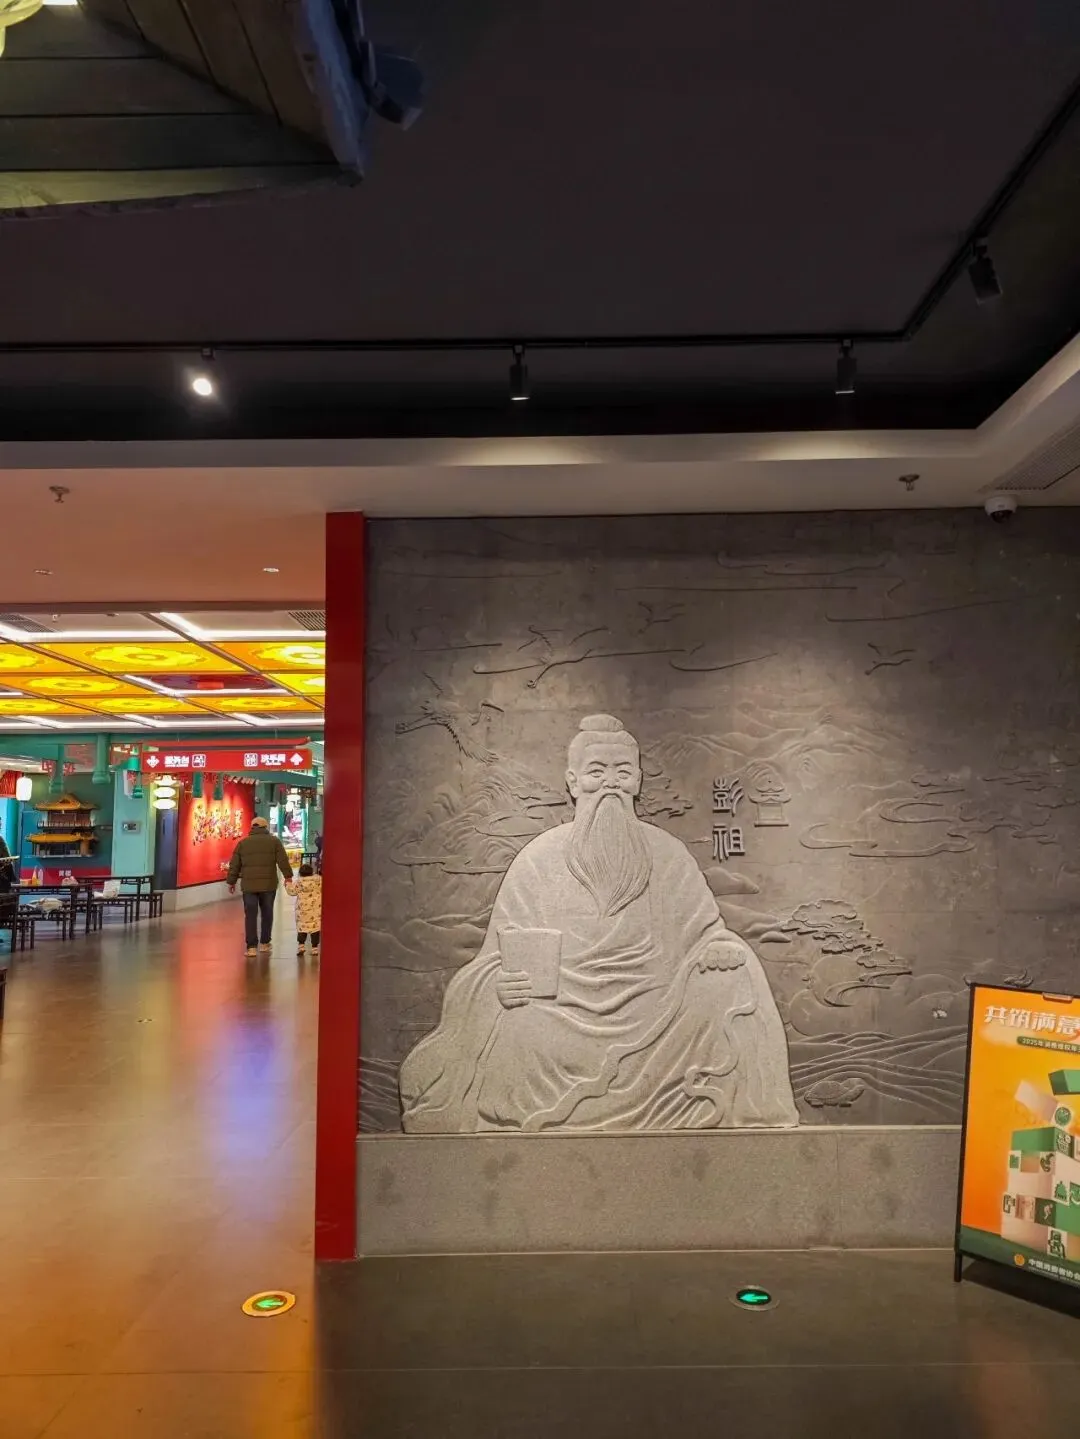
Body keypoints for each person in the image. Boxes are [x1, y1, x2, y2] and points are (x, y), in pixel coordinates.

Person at [400, 713, 798, 1133]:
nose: (610, 783)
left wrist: (718, 949)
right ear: (573, 782)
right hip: (559, 1017)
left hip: (658, 1018)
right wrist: (501, 985)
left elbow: (707, 935)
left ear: (637, 782)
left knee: (736, 976)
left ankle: (688, 1108)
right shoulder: (537, 860)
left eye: (622, 773)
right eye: (596, 772)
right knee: (517, 1029)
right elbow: (492, 962)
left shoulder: (669, 855)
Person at [226, 816, 292, 957]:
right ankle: (264, 943)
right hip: (268, 885)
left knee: (250, 915)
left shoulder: (243, 843)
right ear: (265, 827)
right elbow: (283, 860)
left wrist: (231, 881)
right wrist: (288, 876)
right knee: (267, 913)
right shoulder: (274, 841)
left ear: (252, 827)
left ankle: (251, 947)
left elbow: (234, 864)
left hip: (249, 886)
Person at [288, 862, 322, 958]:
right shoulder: (318, 880)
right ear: (312, 872)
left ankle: (301, 946)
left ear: (300, 873)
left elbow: (291, 891)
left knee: (302, 929)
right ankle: (314, 948)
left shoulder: (298, 882)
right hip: (316, 911)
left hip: (302, 912)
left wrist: (287, 884)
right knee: (315, 930)